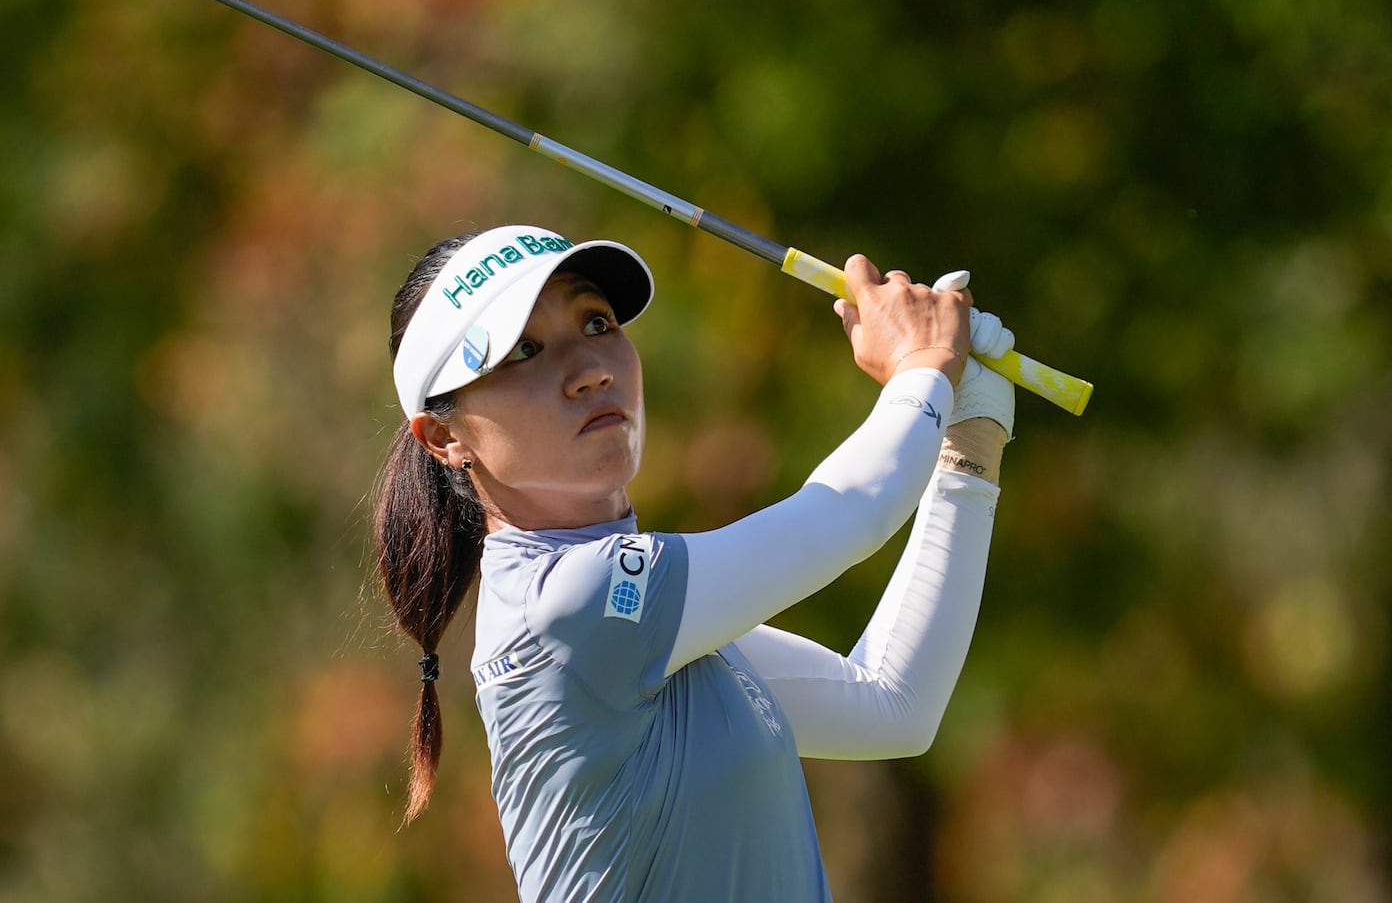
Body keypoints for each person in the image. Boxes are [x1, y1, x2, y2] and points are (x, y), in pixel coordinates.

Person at [372, 223, 1016, 902]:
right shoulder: (570, 605)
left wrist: (967, 441)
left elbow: (892, 706)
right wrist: (922, 368)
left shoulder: (651, 623)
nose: (590, 369)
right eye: (525, 350)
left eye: (596, 323)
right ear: (444, 436)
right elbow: (851, 512)